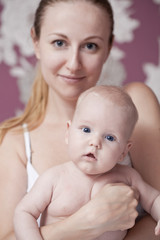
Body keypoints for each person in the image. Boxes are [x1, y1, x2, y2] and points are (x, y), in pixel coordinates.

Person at [0, 0, 160, 239]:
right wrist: (86, 222)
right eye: (59, 42)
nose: (73, 64)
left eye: (90, 46)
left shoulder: (134, 104)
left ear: (108, 48)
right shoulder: (16, 141)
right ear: (36, 42)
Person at [14, 85, 160, 240]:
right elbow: (24, 213)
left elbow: (153, 200)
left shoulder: (128, 177)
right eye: (86, 130)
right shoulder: (53, 178)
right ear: (68, 132)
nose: (95, 142)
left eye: (110, 137)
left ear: (123, 151)